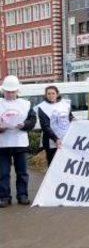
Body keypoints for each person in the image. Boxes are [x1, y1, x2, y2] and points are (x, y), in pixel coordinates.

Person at [0, 76, 37, 207]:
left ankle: (22, 195)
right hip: (2, 144)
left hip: (20, 143)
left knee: (22, 172)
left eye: (12, 91)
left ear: (17, 91)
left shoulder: (25, 104)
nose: (10, 94)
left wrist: (24, 125)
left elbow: (32, 120)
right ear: (3, 90)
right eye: (8, 91)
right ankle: (4, 197)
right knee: (3, 173)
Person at [37, 86, 74, 166]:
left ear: (57, 94)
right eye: (49, 94)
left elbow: (70, 117)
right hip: (51, 142)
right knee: (53, 164)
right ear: (46, 95)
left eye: (53, 93)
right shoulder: (42, 107)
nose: (51, 96)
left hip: (65, 139)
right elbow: (45, 126)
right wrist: (56, 139)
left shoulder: (65, 104)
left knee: (66, 164)